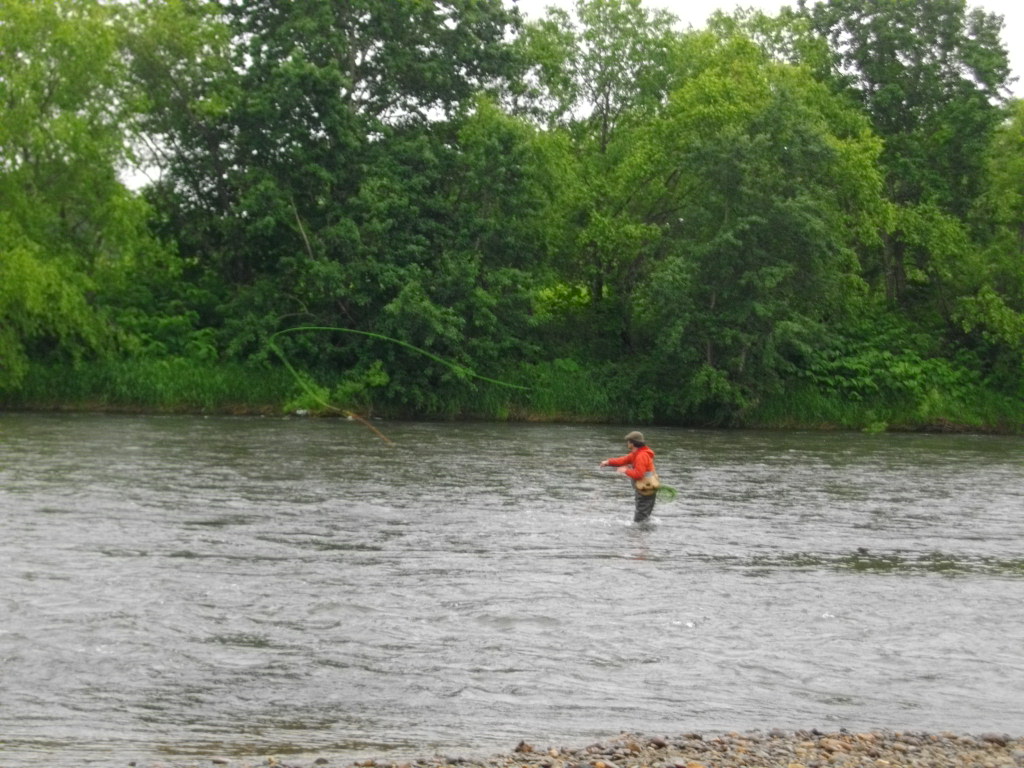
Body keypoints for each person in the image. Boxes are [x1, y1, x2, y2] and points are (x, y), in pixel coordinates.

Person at [600, 430, 657, 522]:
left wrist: (625, 470)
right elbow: (623, 460)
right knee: (644, 518)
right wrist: (608, 462)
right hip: (646, 489)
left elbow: (639, 475)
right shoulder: (637, 453)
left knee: (640, 520)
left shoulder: (641, 456)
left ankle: (638, 535)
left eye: (628, 441)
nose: (627, 443)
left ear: (632, 443)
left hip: (645, 490)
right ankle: (644, 534)